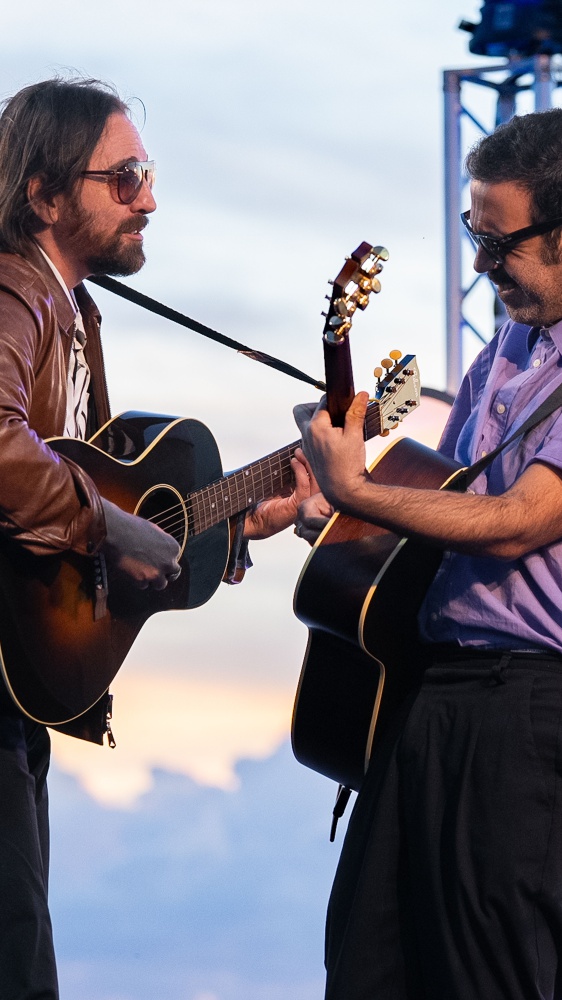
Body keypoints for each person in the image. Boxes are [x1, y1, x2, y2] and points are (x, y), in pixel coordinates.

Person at [0, 77, 313, 1000]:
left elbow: (96, 502)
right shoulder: (18, 289)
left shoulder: (74, 309)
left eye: (150, 171)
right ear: (46, 196)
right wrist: (107, 522)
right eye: (125, 175)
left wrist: (231, 523)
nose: (149, 197)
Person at [294, 107, 562, 1000]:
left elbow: (524, 518)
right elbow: (455, 504)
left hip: (525, 708)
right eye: (470, 234)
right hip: (430, 695)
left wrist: (358, 493)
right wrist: (338, 518)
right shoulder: (509, 347)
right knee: (369, 966)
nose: (481, 264)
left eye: (501, 242)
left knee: (490, 974)